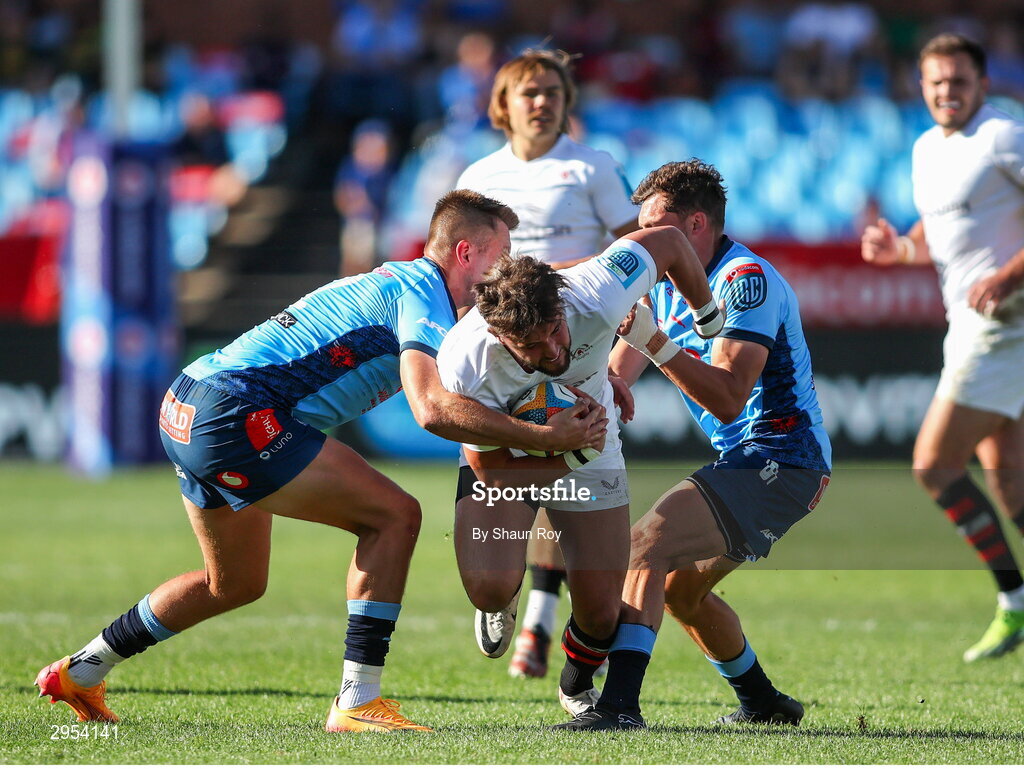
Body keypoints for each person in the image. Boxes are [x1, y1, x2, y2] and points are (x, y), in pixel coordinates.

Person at [34, 190, 607, 733]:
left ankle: (81, 671)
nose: (507, 272)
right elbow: (430, 409)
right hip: (238, 411)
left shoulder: (409, 285)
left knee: (231, 583)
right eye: (501, 255)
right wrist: (546, 437)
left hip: (189, 400)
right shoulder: (425, 296)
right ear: (465, 253)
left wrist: (603, 289)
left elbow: (542, 281)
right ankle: (358, 701)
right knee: (395, 516)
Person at [560, 159, 832, 730]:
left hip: (783, 456)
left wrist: (655, 342)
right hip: (751, 460)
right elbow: (620, 369)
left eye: (656, 225)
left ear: (697, 224)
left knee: (644, 547)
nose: (644, 240)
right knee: (681, 593)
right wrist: (597, 394)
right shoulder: (664, 283)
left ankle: (618, 708)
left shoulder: (744, 281)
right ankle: (763, 703)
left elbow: (730, 397)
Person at [436, 225, 722, 727]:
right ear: (499, 336)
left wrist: (706, 313)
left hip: (591, 450)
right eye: (531, 344)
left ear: (561, 307)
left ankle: (575, 682)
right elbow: (488, 467)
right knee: (487, 585)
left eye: (555, 329)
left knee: (603, 614)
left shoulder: (595, 292)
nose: (552, 350)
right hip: (511, 458)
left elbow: (672, 241)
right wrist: (556, 445)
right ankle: (500, 599)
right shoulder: (465, 361)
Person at [454, 48, 639, 679]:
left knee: (574, 479)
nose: (542, 102)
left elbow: (636, 266)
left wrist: (615, 363)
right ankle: (514, 601)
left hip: (574, 350)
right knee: (524, 472)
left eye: (553, 91)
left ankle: (541, 624)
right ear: (502, 105)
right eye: (528, 92)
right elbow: (467, 277)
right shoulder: (479, 174)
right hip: (509, 357)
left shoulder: (592, 167)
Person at [861, 33, 1024, 663]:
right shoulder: (928, 148)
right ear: (920, 87)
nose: (946, 93)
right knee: (1009, 485)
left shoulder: (1003, 136)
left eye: (958, 81)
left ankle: (1014, 598)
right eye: (935, 83)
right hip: (970, 323)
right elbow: (941, 226)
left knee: (934, 465)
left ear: (982, 84)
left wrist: (1009, 276)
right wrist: (899, 248)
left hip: (1006, 323)